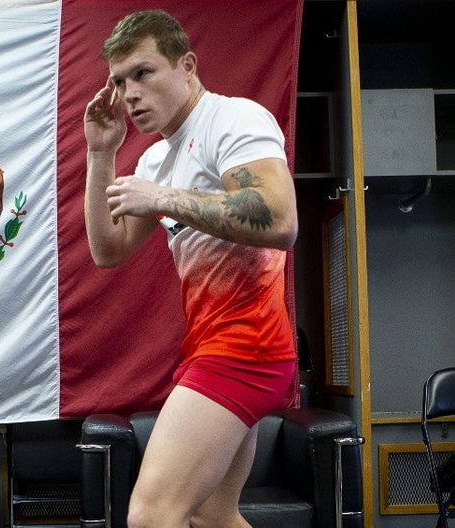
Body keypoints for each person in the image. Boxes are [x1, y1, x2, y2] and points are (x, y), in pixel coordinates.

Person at [83, 10, 299, 528]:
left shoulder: (233, 119)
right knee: (212, 517)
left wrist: (162, 198)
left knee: (151, 516)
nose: (130, 93)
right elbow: (109, 250)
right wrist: (100, 153)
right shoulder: (154, 161)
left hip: (247, 347)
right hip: (212, 344)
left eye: (143, 73)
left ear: (187, 66)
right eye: (120, 82)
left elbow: (279, 219)